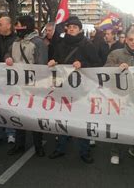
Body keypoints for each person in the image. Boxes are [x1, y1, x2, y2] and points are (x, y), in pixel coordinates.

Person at [48, 16, 101, 164]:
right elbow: (57, 59)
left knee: (82, 121)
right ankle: (60, 148)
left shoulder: (87, 44)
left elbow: (96, 64)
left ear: (80, 29)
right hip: (64, 88)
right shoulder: (61, 44)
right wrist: (54, 61)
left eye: (75, 27)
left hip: (82, 90)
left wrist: (83, 63)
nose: (71, 29)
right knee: (63, 120)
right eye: (70, 26)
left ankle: (85, 151)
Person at [5, 15, 47, 157]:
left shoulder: (38, 43)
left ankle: (38, 145)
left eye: (19, 25)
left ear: (26, 26)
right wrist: (7, 58)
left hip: (33, 87)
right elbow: (7, 53)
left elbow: (42, 66)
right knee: (19, 116)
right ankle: (19, 144)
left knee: (35, 117)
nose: (17, 28)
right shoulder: (15, 42)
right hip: (18, 86)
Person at [105, 29, 134, 165]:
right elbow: (105, 69)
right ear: (126, 40)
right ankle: (114, 152)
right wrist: (117, 67)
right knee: (117, 124)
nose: (133, 42)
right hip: (118, 94)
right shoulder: (115, 53)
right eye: (131, 39)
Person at [0, 16, 17, 144]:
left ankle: (11, 132)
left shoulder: (16, 40)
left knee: (10, 106)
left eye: (0, 24)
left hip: (11, 79)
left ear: (8, 25)